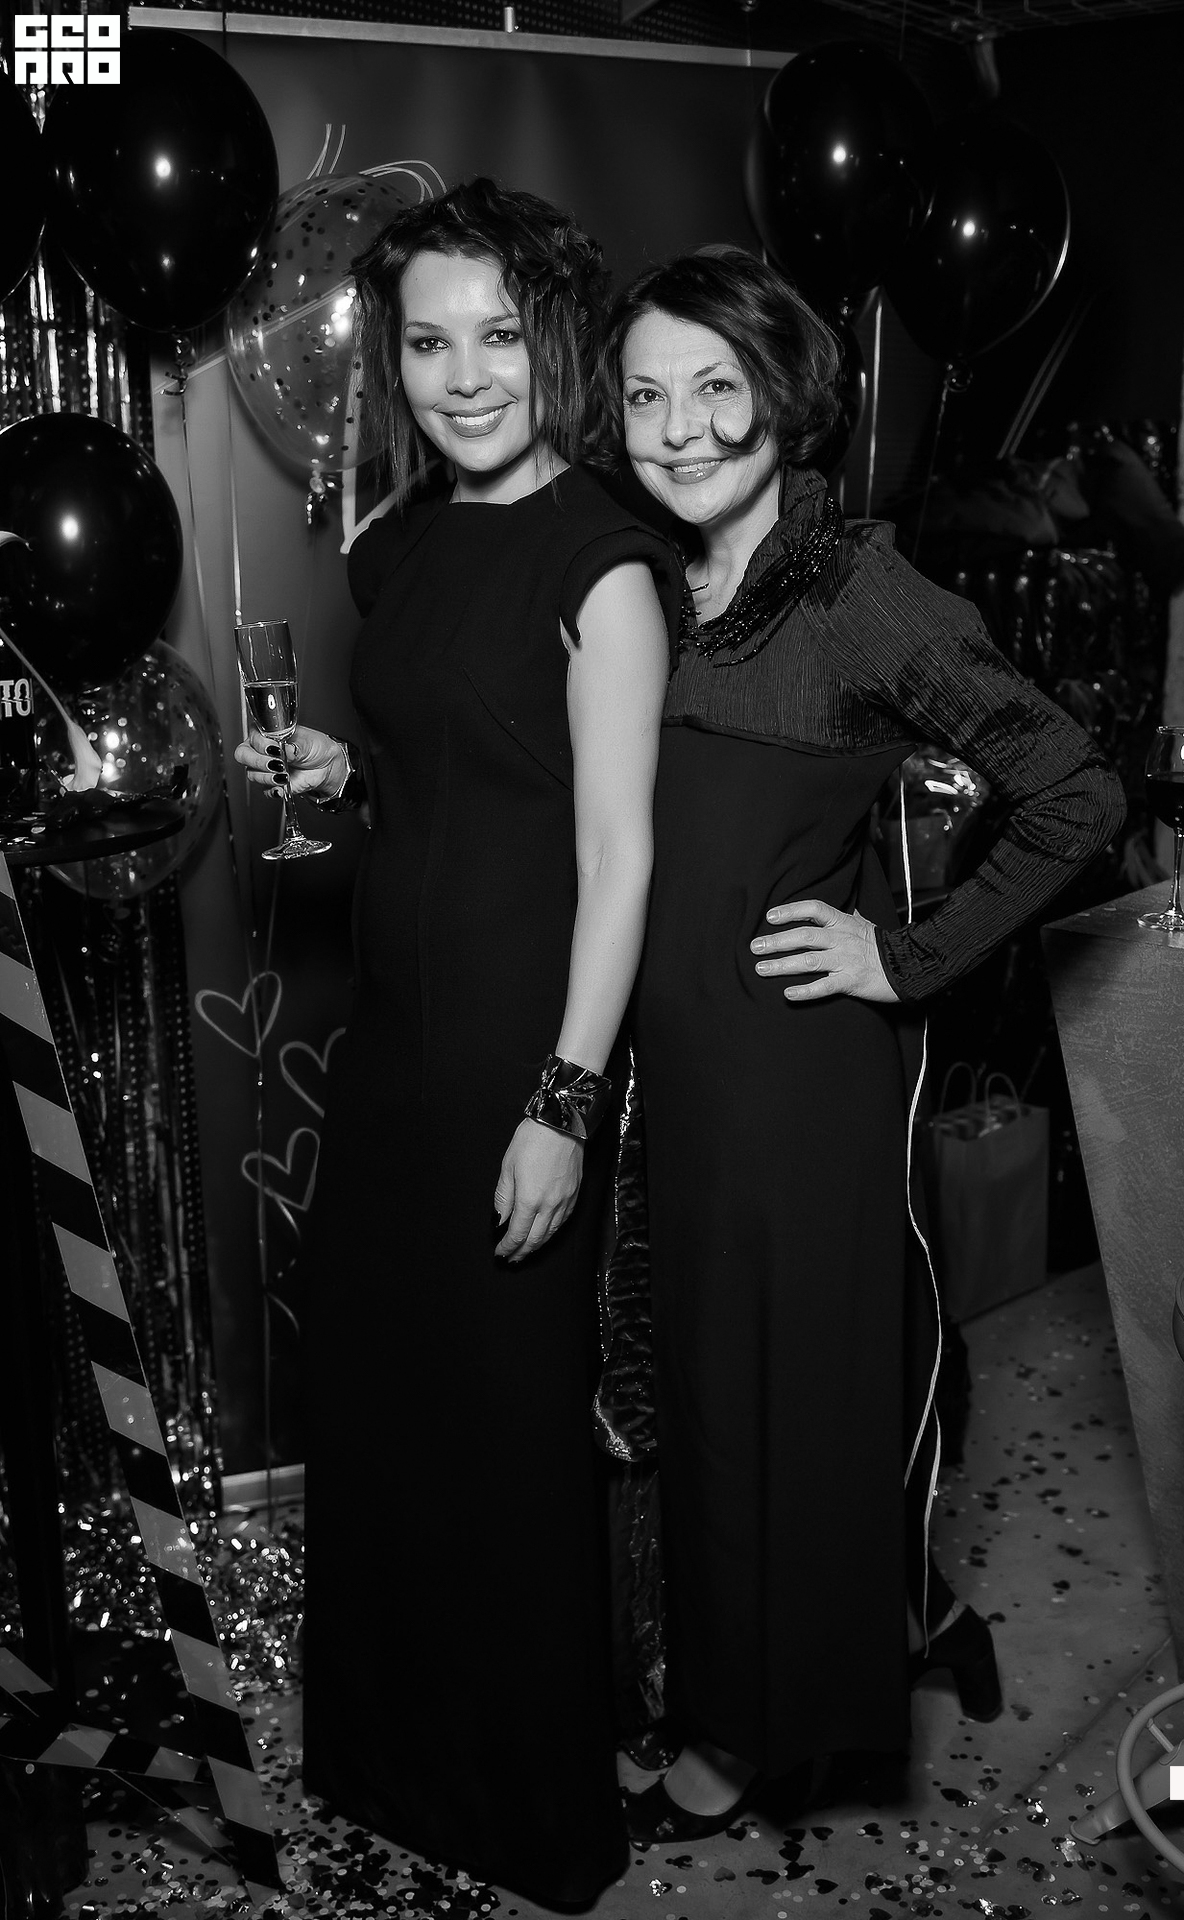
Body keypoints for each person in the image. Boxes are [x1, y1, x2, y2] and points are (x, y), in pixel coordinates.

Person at [595, 248, 1127, 1844]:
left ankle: (753, 1729)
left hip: (791, 1083)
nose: (680, 428)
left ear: (785, 398)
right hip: (665, 1074)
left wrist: (904, 955)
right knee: (712, 1398)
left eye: (716, 388)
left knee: (777, 1407)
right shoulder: (637, 580)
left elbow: (1075, 791)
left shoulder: (850, 591)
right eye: (645, 394)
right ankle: (907, 1616)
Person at [235, 179, 676, 1907]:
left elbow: (615, 855)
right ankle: (386, 1763)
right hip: (393, 1055)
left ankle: (523, 1816)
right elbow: (455, 771)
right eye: (430, 343)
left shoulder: (605, 564)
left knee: (502, 1443)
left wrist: (565, 1101)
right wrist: (346, 773)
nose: (466, 376)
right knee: (388, 1411)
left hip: (519, 1054)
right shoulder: (397, 547)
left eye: (499, 336)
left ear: (554, 342)